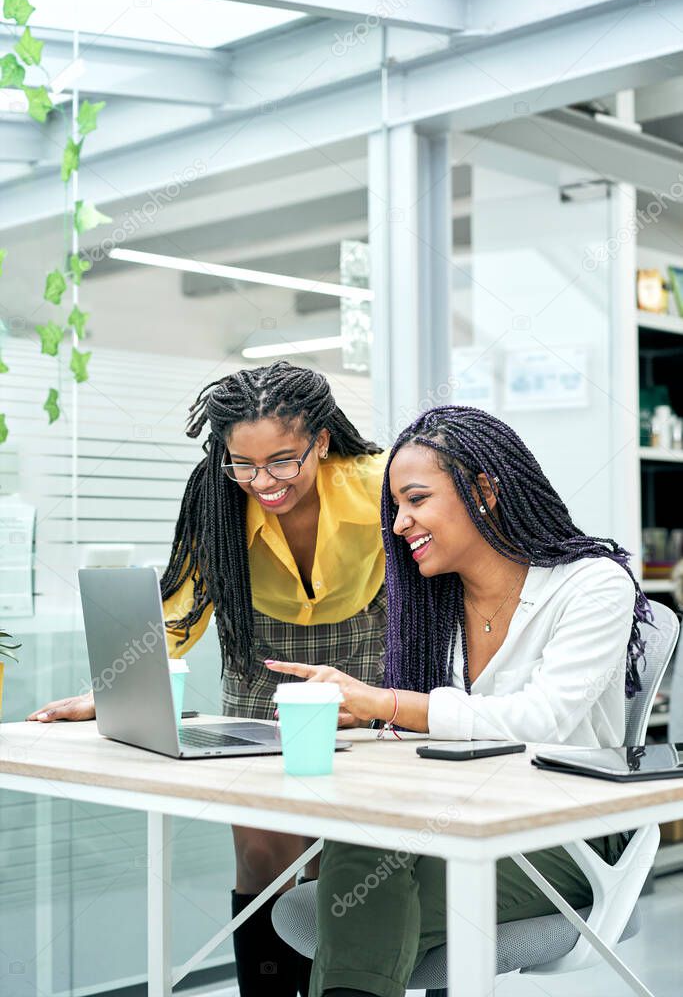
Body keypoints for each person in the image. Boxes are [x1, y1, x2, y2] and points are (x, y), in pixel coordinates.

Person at [27, 361, 388, 997]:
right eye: (242, 463)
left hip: (362, 664)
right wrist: (107, 691)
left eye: (282, 461)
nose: (263, 482)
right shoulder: (217, 500)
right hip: (260, 667)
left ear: (322, 441)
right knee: (261, 853)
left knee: (346, 853)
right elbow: (177, 616)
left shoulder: (380, 483)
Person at [266, 405, 650, 997]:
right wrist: (364, 718)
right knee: (365, 845)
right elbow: (431, 734)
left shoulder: (592, 583)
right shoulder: (434, 608)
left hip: (568, 832)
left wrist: (391, 704)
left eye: (416, 500)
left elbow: (539, 720)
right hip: (460, 819)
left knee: (356, 901)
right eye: (395, 507)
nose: (399, 524)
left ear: (484, 490)